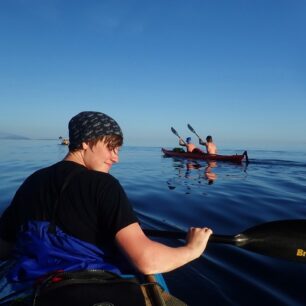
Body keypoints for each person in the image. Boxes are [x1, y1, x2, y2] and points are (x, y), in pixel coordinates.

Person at [0, 111, 212, 301]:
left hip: (34, 287)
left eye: (117, 149)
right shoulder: (104, 185)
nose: (116, 158)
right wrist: (191, 249)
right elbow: (146, 261)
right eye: (110, 147)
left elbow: (5, 246)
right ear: (86, 142)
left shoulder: (33, 180)